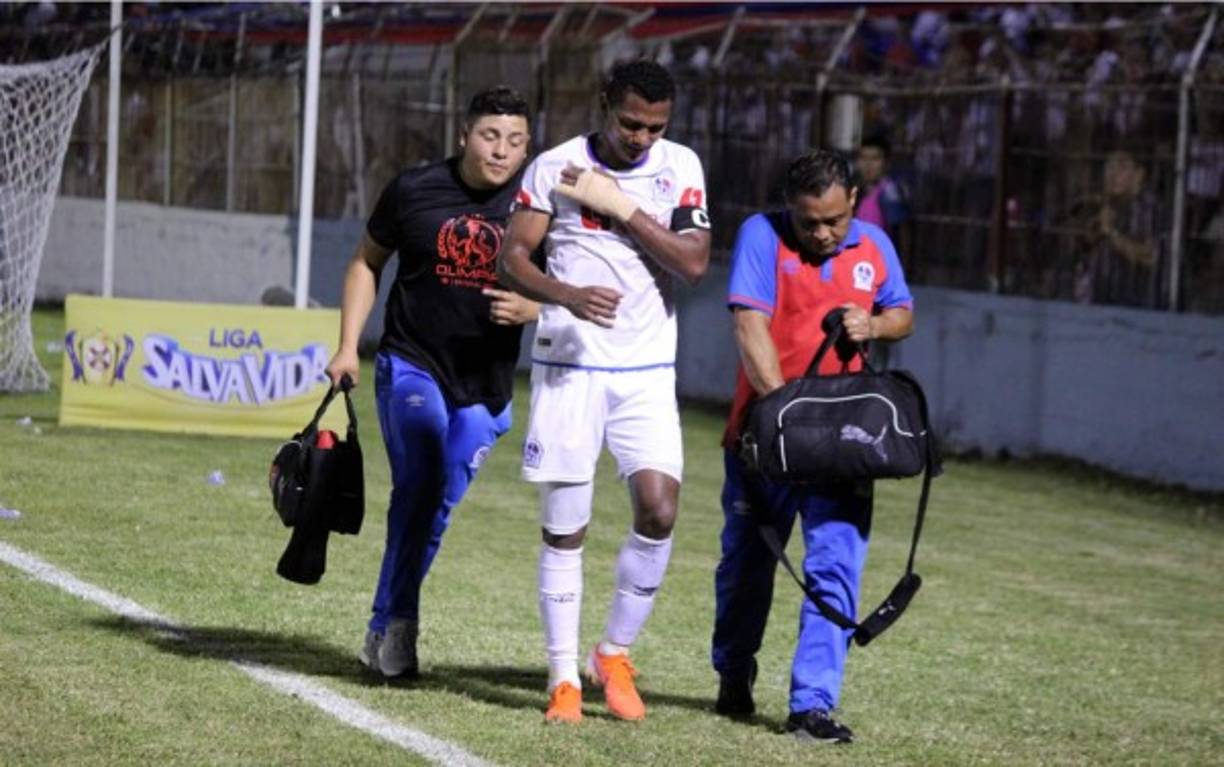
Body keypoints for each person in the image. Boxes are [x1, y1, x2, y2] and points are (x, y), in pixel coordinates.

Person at [496, 60, 711, 724]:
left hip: (646, 371)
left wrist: (619, 203)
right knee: (566, 530)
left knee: (660, 509)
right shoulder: (554, 167)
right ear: (603, 105)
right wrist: (565, 295)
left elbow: (693, 261)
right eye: (629, 123)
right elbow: (513, 257)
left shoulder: (680, 166)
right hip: (571, 367)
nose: (642, 137)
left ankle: (612, 653)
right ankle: (563, 677)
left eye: (654, 126)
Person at [324, 86, 538, 679]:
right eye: (491, 136)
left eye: (515, 141)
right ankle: (399, 632)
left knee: (435, 505)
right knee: (417, 484)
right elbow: (366, 261)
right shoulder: (414, 189)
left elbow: (571, 287)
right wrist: (347, 347)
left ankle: (381, 626)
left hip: (484, 388)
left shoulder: (535, 205)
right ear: (465, 134)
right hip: (411, 364)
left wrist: (535, 310)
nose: (501, 151)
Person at [711, 150, 914, 744]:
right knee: (747, 567)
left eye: (834, 221)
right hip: (763, 439)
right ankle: (732, 668)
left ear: (853, 198)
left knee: (834, 566)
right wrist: (783, 420)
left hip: (846, 444)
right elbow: (750, 326)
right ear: (789, 210)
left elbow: (902, 312)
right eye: (809, 224)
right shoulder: (760, 235)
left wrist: (873, 325)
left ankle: (812, 706)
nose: (823, 234)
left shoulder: (875, 244)